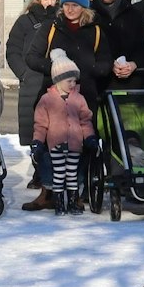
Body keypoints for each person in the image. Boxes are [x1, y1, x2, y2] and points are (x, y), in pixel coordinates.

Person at [20, 0, 114, 210]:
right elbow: (31, 57)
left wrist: (87, 71)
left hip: (83, 97)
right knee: (45, 145)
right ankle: (47, 192)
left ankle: (77, 193)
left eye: (76, 5)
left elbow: (106, 63)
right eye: (67, 4)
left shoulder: (96, 31)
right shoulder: (51, 27)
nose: (70, 9)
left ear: (84, 7)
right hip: (52, 98)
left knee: (79, 147)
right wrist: (53, 69)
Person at [6, 0, 62, 183]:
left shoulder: (62, 20)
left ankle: (54, 173)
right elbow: (12, 50)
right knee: (35, 131)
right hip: (32, 82)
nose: (49, 3)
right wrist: (24, 73)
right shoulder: (25, 22)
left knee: (55, 130)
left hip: (57, 82)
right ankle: (39, 172)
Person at [33, 49, 96, 213]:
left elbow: (85, 121)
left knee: (72, 175)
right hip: (57, 144)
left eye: (75, 80)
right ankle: (59, 203)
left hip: (75, 144)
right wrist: (37, 142)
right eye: (69, 81)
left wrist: (89, 137)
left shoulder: (79, 98)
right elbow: (41, 124)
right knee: (59, 174)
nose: (73, 84)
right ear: (58, 80)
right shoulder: (47, 100)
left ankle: (73, 202)